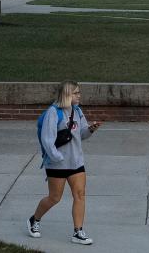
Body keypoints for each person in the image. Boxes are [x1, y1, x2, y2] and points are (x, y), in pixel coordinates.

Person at [28, 81, 102, 245]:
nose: (79, 95)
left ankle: (78, 232)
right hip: (57, 164)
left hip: (76, 163)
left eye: (79, 92)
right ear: (67, 95)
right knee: (54, 198)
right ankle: (34, 219)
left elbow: (81, 135)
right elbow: (47, 141)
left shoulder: (77, 111)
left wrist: (90, 129)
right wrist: (58, 158)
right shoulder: (53, 113)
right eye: (76, 93)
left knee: (80, 195)